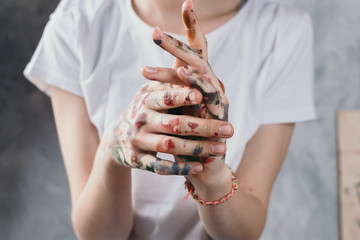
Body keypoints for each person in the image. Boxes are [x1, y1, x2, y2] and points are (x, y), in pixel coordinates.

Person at [24, 0, 316, 239]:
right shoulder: (76, 23)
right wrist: (113, 149)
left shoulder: (283, 32)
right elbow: (98, 235)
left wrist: (211, 176)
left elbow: (244, 232)